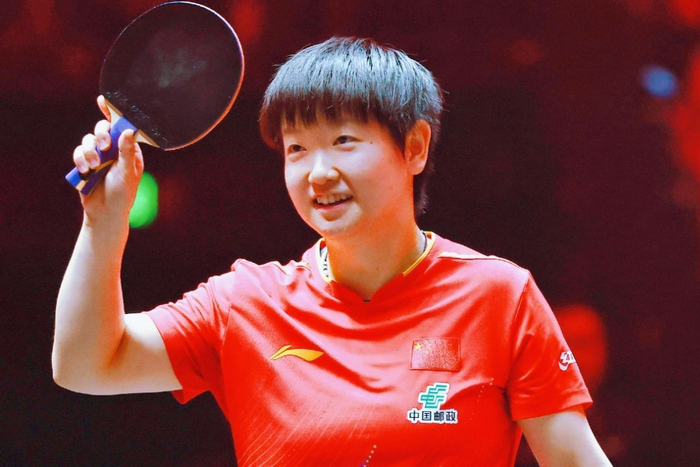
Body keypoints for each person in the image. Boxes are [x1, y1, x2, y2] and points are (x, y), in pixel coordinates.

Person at [53, 37, 611, 466]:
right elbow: (85, 365)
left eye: (344, 141)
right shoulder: (244, 303)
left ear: (414, 146)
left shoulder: (499, 296)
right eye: (297, 148)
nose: (318, 173)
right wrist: (103, 221)